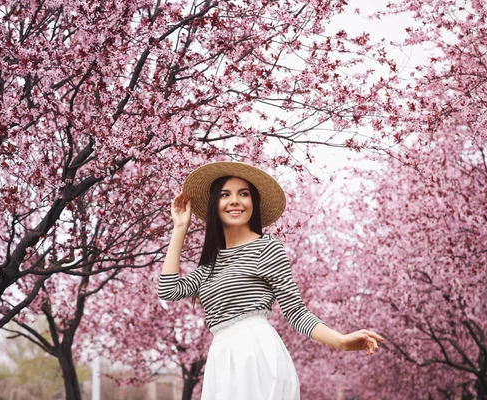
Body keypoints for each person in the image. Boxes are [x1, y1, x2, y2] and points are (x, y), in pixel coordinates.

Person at [158, 161, 384, 400]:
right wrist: (180, 228)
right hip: (221, 359)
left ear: (253, 203)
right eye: (225, 195)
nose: (235, 200)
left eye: (243, 194)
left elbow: (296, 312)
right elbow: (168, 290)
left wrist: (341, 341)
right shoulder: (211, 264)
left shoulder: (268, 249)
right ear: (216, 205)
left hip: (256, 354)